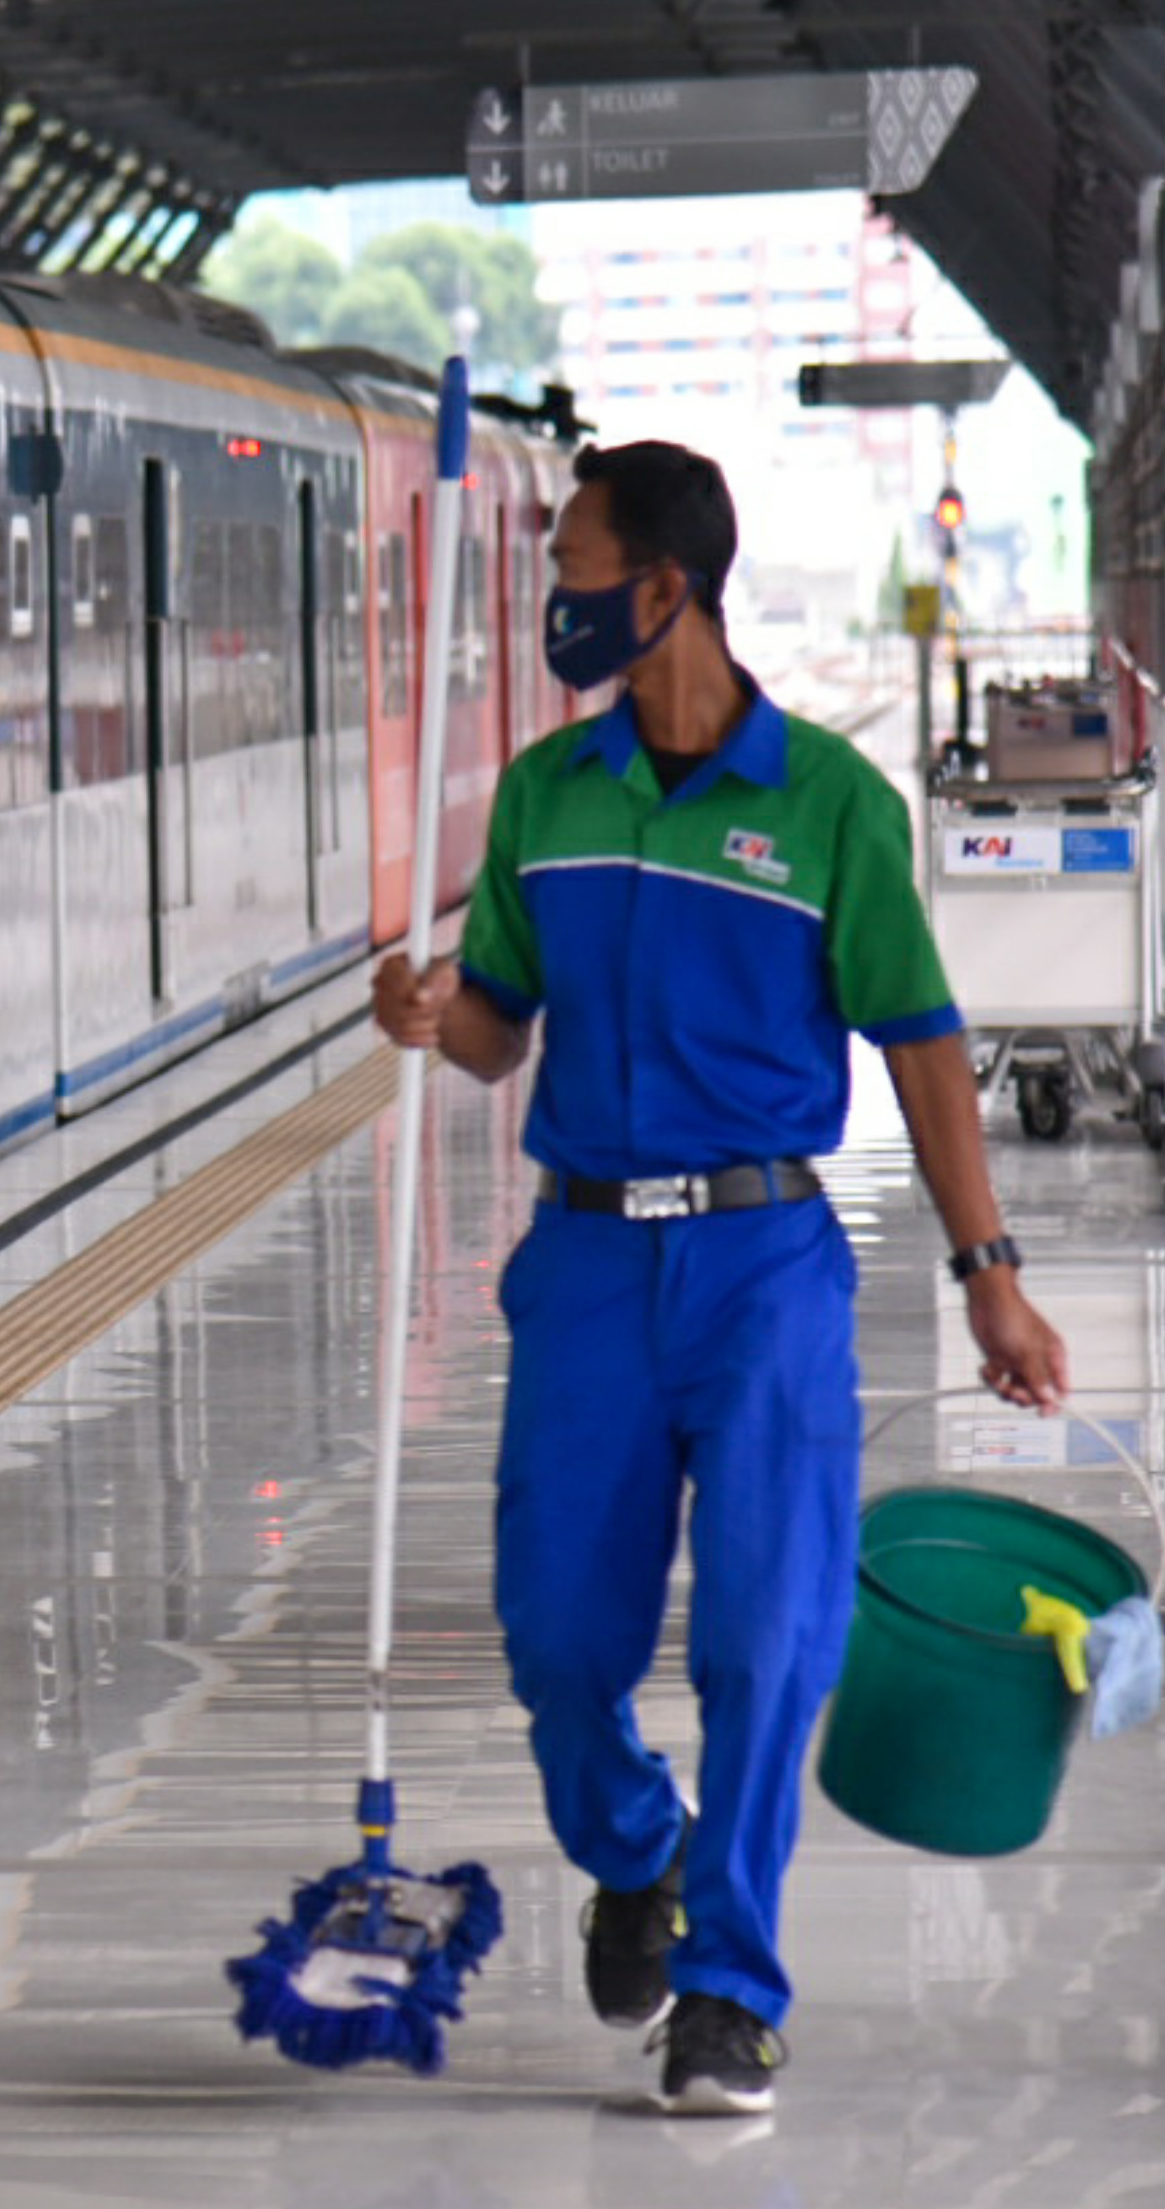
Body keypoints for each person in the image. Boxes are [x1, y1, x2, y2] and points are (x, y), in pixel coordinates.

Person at [372, 438, 1068, 2116]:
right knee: (557, 1638)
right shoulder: (549, 797)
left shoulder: (829, 803)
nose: (559, 595)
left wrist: (991, 1274)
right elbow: (495, 1037)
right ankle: (641, 1850)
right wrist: (428, 1014)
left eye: (581, 564)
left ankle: (730, 1988)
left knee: (769, 1637)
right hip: (591, 1263)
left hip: (764, 1265)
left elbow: (920, 1045)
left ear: (666, 589)